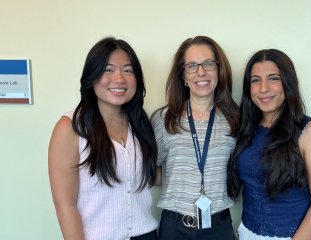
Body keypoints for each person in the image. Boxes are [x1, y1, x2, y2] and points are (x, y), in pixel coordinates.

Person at [48, 37, 158, 240]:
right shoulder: (70, 128)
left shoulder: (141, 123)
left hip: (147, 234)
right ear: (92, 76)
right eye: (108, 70)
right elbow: (65, 204)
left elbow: (151, 176)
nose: (119, 79)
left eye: (127, 70)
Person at [227, 49, 311, 240]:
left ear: (287, 83)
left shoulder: (310, 131)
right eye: (255, 80)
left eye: (273, 78)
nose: (263, 88)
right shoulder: (247, 129)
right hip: (246, 232)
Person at [151, 35, 240, 240]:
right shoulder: (164, 120)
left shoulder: (235, 120)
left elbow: (239, 170)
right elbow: (150, 169)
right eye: (191, 66)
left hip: (219, 227)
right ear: (183, 75)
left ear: (219, 69)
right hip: (174, 228)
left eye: (208, 63)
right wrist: (180, 178)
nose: (201, 72)